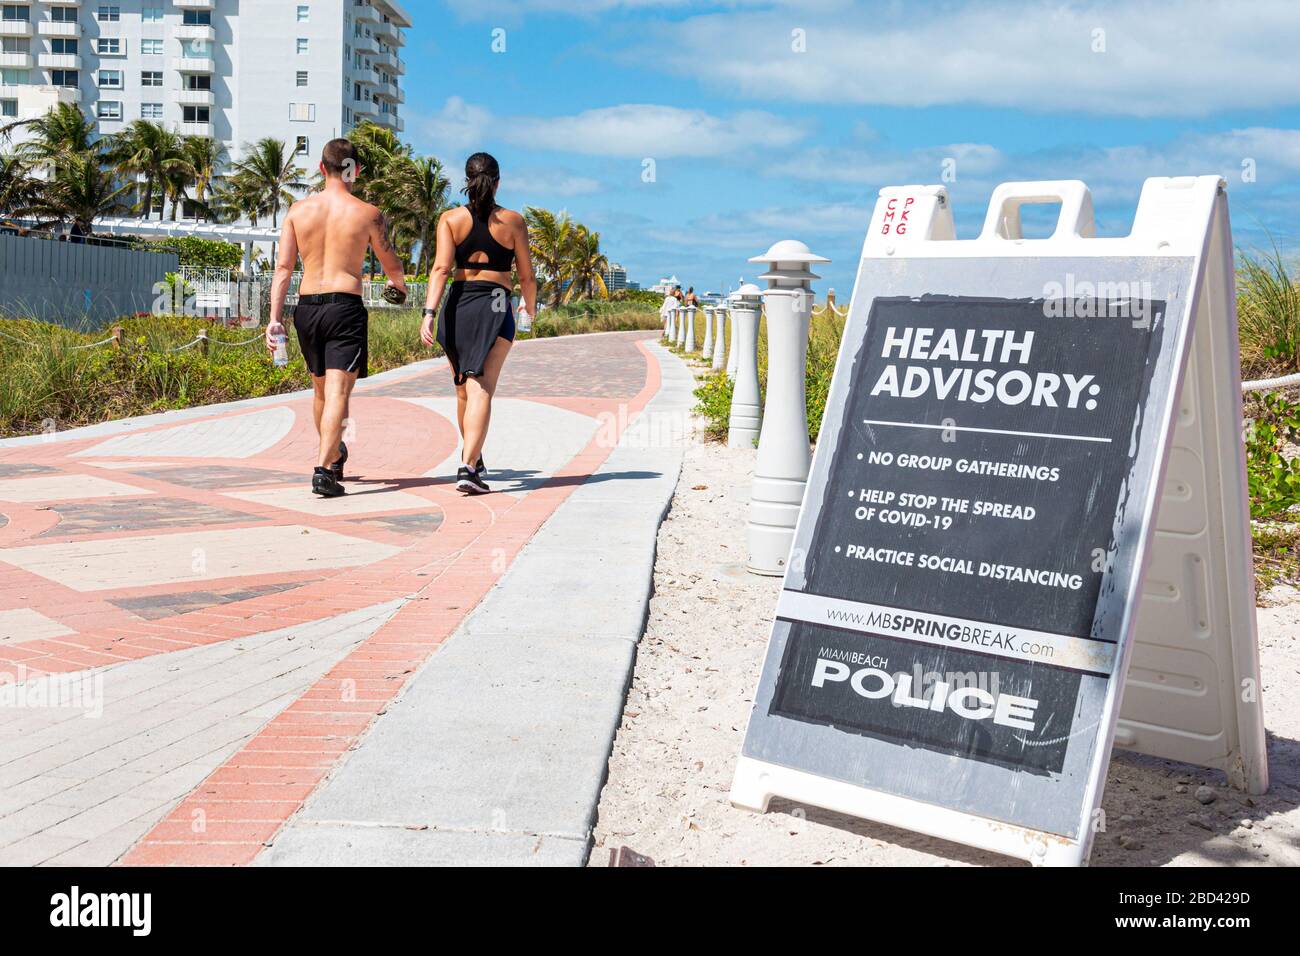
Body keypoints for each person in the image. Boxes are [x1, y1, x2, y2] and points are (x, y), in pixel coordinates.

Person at [266, 138, 407, 497]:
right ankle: (324, 470)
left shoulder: (298, 211)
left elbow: (283, 268)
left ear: (321, 168)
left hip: (307, 308)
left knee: (320, 390)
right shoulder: (368, 213)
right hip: (344, 307)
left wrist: (273, 318)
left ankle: (333, 452)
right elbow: (392, 267)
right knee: (339, 390)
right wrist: (398, 289)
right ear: (354, 170)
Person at [420, 152, 537, 495]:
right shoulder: (514, 221)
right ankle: (469, 467)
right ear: (498, 181)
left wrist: (428, 313)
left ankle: (473, 456)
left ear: (466, 180)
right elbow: (527, 276)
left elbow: (440, 269)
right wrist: (529, 309)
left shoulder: (450, 219)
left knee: (463, 388)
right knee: (481, 386)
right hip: (496, 302)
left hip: (457, 304)